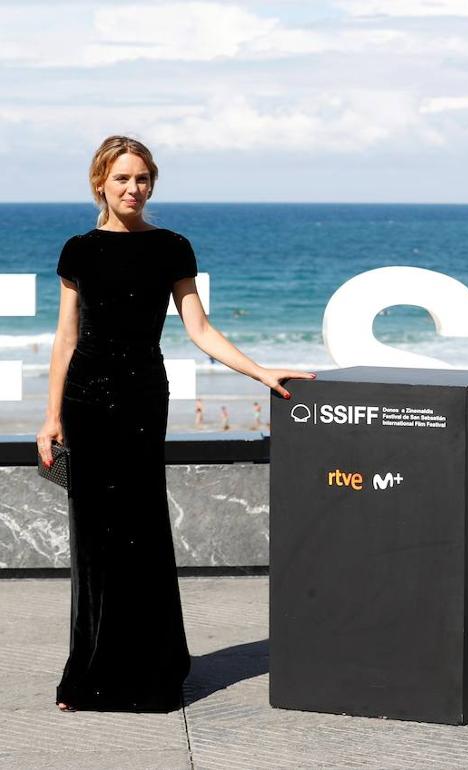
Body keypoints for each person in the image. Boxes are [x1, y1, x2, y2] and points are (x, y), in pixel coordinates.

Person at [35, 135, 313, 712]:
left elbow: (201, 330)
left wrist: (261, 372)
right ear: (100, 185)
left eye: (142, 178)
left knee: (142, 534)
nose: (133, 188)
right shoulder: (78, 252)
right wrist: (51, 416)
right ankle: (87, 674)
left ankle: (153, 674)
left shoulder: (172, 247)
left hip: (140, 400)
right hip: (86, 403)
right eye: (122, 179)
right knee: (94, 542)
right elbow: (66, 339)